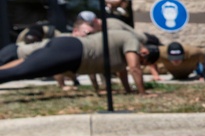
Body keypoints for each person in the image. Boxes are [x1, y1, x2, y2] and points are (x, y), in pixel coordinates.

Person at [0, 30, 158, 95]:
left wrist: (128, 90)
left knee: (26, 66)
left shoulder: (120, 48)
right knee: (23, 71)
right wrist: (142, 93)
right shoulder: (132, 41)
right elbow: (134, 68)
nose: (141, 64)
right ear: (144, 52)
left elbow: (122, 71)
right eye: (144, 62)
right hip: (72, 52)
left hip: (71, 51)